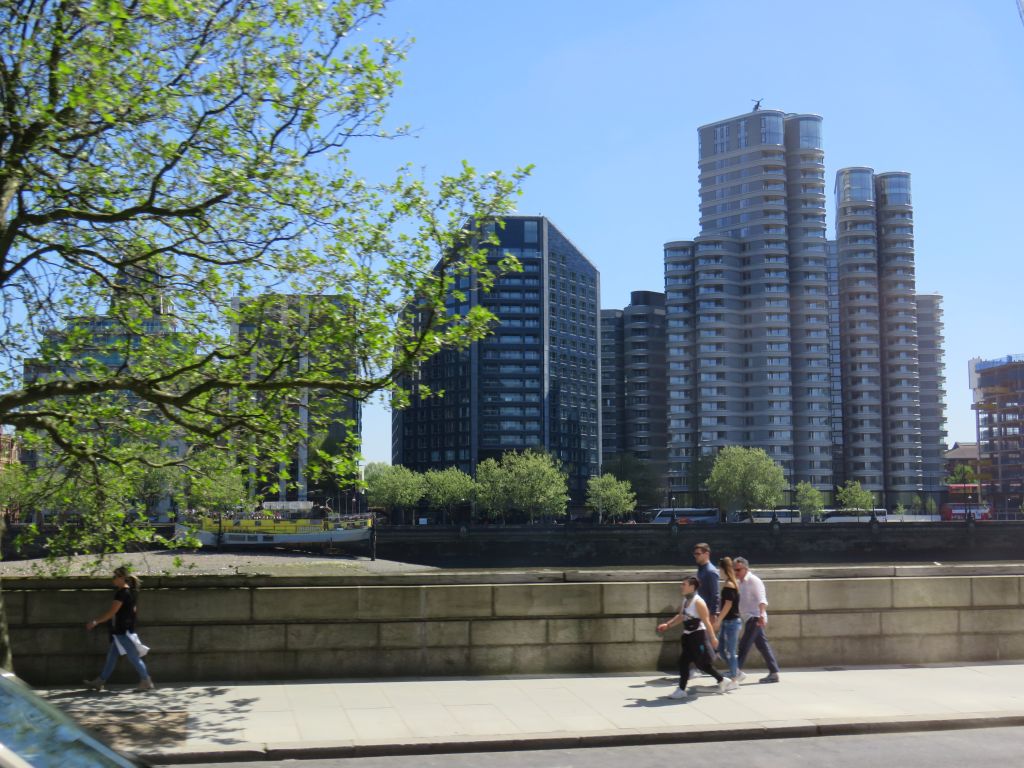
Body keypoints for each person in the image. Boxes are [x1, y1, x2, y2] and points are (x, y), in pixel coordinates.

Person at [83, 566, 154, 691]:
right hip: (123, 630)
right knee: (112, 656)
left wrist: (95, 622)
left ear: (122, 578)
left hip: (122, 631)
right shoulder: (131, 592)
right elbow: (133, 611)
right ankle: (100, 682)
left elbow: (112, 612)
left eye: (115, 576)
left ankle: (146, 681)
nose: (113, 579)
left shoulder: (121, 593)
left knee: (133, 657)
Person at [656, 576, 727, 700]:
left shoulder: (698, 602)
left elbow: (706, 622)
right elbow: (681, 616)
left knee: (701, 664)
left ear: (692, 587)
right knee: (685, 662)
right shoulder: (685, 600)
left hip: (698, 636)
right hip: (688, 636)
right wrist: (668, 625)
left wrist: (713, 638)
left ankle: (720, 680)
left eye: (684, 584)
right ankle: (682, 689)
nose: (681, 586)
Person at [733, 556, 780, 684]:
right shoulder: (739, 583)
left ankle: (735, 673)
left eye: (738, 570)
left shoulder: (754, 581)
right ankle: (774, 673)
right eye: (734, 570)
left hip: (755, 618)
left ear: (746, 568)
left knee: (743, 645)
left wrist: (762, 614)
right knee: (762, 646)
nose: (736, 572)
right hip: (748, 618)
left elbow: (762, 599)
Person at [713, 556, 741, 691]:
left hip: (731, 622)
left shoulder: (729, 585)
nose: (719, 571)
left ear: (724, 569)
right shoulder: (730, 583)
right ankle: (735, 671)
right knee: (721, 649)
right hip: (727, 621)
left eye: (719, 569)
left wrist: (718, 620)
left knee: (730, 651)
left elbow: (728, 605)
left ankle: (734, 679)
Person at [692, 542, 720, 618]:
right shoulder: (701, 569)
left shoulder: (710, 571)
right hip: (700, 610)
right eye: (695, 554)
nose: (695, 556)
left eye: (698, 554)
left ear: (706, 554)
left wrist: (713, 614)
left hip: (708, 612)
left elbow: (715, 594)